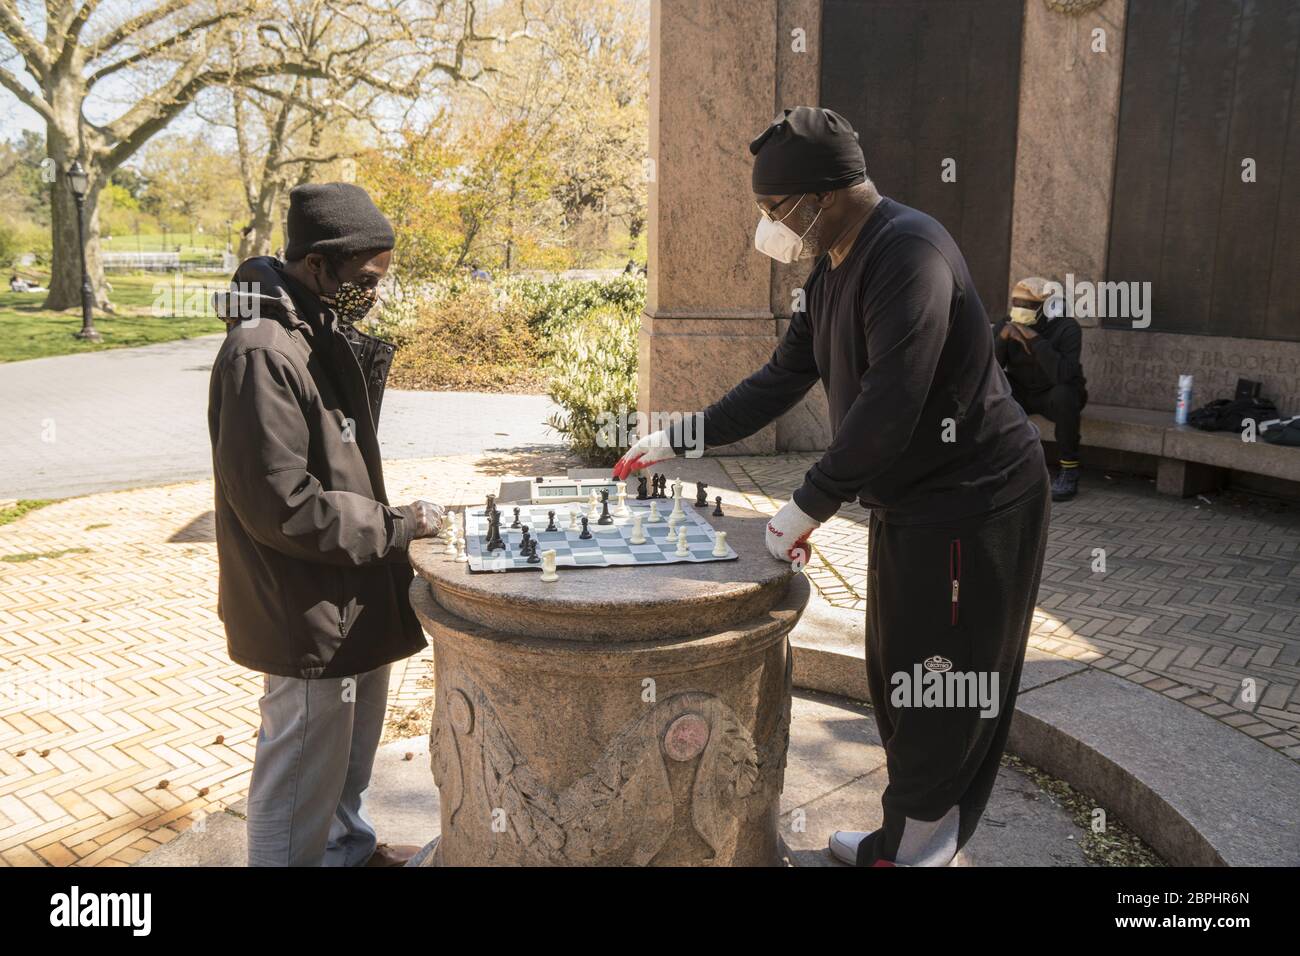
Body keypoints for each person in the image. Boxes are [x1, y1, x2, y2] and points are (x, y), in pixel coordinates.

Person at [614, 107, 1050, 868]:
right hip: (911, 503)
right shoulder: (830, 270)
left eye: (774, 209)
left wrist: (805, 505)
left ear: (823, 194)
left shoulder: (908, 253)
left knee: (938, 681)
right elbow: (780, 379)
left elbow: (891, 401)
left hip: (974, 503)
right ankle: (897, 835)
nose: (769, 227)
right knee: (895, 671)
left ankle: (916, 853)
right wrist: (679, 435)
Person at [209, 182, 444, 867]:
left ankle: (346, 852)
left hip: (348, 588)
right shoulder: (263, 350)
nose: (375, 293)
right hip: (305, 603)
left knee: (346, 757)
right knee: (300, 771)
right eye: (366, 279)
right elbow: (280, 502)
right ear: (318, 264)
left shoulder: (316, 325)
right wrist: (396, 526)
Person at [992, 276, 1088, 502]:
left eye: (1028, 305)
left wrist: (1034, 339)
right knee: (993, 386)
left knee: (1065, 393)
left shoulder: (1067, 327)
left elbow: (1062, 374)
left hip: (1054, 394)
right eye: (1016, 303)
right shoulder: (1006, 323)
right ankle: (998, 465)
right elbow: (990, 369)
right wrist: (1003, 339)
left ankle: (1069, 470)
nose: (1020, 309)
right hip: (1023, 391)